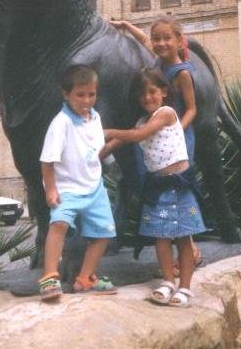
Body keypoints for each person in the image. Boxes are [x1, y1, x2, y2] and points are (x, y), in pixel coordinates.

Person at [101, 69, 206, 307]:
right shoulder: (141, 121)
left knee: (183, 237)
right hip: (158, 187)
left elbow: (137, 136)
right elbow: (125, 138)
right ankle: (168, 281)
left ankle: (186, 287)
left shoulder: (166, 113)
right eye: (142, 94)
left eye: (152, 92)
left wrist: (108, 132)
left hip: (179, 185)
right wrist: (101, 151)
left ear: (164, 92)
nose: (147, 98)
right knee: (161, 237)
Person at [110, 16, 201, 273]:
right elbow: (144, 40)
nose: (160, 44)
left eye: (166, 39)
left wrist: (176, 130)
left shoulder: (182, 73)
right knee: (162, 193)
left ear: (179, 40)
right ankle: (178, 251)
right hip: (157, 133)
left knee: (178, 194)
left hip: (177, 135)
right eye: (157, 39)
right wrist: (126, 26)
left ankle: (190, 251)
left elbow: (192, 109)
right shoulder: (158, 61)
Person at [37, 64, 117, 301]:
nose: (86, 100)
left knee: (103, 233)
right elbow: (47, 160)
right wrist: (51, 189)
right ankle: (50, 276)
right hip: (68, 188)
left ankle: (85, 277)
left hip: (94, 187)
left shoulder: (95, 117)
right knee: (58, 225)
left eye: (91, 94)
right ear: (66, 94)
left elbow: (96, 146)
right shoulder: (61, 122)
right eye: (80, 95)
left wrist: (109, 155)